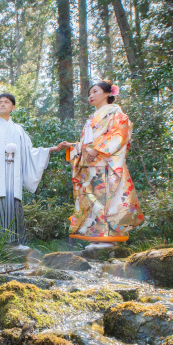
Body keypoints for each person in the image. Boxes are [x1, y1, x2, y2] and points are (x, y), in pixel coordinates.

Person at [0, 93, 67, 248]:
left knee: (12, 204)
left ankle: (14, 245)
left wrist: (50, 149)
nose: (2, 104)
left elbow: (29, 152)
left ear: (13, 107)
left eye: (6, 102)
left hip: (13, 177)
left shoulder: (19, 130)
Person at [59, 80, 144, 249]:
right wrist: (74, 147)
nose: (91, 95)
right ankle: (98, 237)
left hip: (105, 163)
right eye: (89, 93)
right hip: (90, 165)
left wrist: (98, 149)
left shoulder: (115, 113)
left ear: (107, 93)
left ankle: (109, 238)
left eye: (95, 91)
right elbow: (87, 144)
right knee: (94, 200)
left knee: (106, 199)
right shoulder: (91, 118)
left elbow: (119, 134)